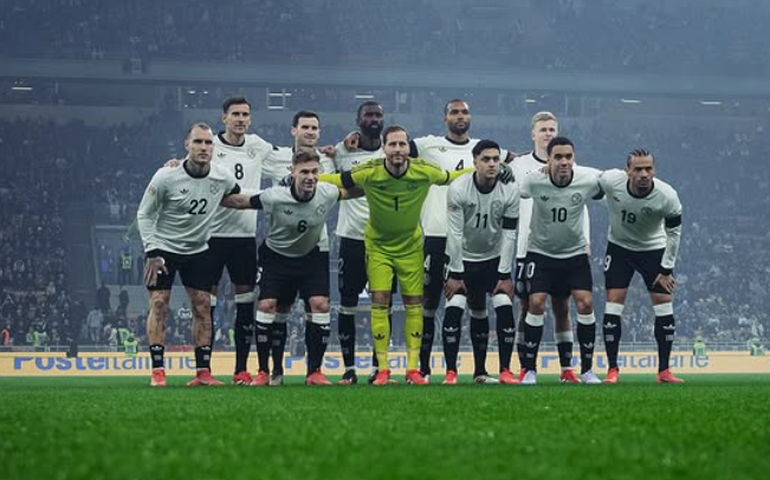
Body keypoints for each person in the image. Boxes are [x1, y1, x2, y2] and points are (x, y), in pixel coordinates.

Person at [321, 125, 510, 385]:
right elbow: (337, 180)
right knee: (380, 301)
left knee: (414, 306)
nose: (398, 149)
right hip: (378, 246)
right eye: (393, 144)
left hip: (411, 246)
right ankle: (383, 369)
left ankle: (412, 370)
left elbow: (452, 176)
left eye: (402, 144)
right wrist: (305, 177)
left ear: (408, 148)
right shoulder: (370, 171)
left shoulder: (423, 171)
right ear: (384, 147)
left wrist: (492, 171)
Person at [136, 122, 257, 387]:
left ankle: (203, 373)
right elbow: (144, 214)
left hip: (199, 249)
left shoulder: (222, 176)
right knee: (159, 304)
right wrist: (152, 251)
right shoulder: (166, 176)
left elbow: (236, 198)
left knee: (203, 306)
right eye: (198, 142)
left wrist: (271, 199)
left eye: (208, 143)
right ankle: (158, 371)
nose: (204, 147)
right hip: (164, 250)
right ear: (186, 145)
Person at [250, 148, 361, 386]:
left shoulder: (327, 192)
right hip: (276, 257)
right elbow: (240, 201)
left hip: (310, 257)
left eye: (314, 171)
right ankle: (264, 371)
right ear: (292, 173)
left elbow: (352, 191)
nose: (310, 177)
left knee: (320, 304)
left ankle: (315, 372)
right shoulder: (274, 196)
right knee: (270, 306)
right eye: (304, 172)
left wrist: (387, 183)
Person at [253, 110, 337, 386]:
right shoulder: (274, 156)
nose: (310, 132)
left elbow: (355, 177)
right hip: (279, 247)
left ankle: (315, 371)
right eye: (305, 127)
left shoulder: (331, 158)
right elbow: (240, 158)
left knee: (319, 304)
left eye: (315, 127)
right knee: (279, 308)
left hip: (316, 245)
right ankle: (271, 369)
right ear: (294, 130)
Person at [510, 111, 591, 382]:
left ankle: (567, 367)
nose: (548, 133)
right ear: (533, 134)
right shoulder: (520, 165)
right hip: (528, 246)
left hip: (566, 247)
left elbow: (582, 207)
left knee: (562, 307)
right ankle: (526, 365)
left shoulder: (574, 172)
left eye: (552, 129)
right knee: (528, 305)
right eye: (543, 129)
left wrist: (587, 239)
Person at [598, 149, 684, 384]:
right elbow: (588, 178)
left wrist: (666, 269)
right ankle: (612, 369)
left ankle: (664, 371)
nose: (644, 174)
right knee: (614, 304)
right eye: (638, 169)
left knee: (664, 305)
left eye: (648, 169)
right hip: (619, 249)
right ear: (628, 171)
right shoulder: (611, 180)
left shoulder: (667, 195)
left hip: (654, 250)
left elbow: (674, 233)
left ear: (654, 170)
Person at [442, 140, 520, 385]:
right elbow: (454, 233)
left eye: (496, 159)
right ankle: (451, 372)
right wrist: (455, 273)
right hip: (461, 259)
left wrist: (505, 275)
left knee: (502, 304)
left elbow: (509, 233)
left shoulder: (510, 189)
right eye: (486, 159)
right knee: (456, 305)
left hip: (493, 259)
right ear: (475, 162)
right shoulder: (458, 188)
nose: (492, 164)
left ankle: (502, 370)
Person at [332, 101, 388, 385]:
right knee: (347, 304)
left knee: (383, 304)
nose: (374, 119)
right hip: (352, 239)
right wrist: (341, 143)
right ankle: (349, 368)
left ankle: (380, 368)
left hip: (384, 240)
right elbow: (315, 159)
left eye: (378, 115)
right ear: (358, 120)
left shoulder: (393, 149)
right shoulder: (343, 151)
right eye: (369, 114)